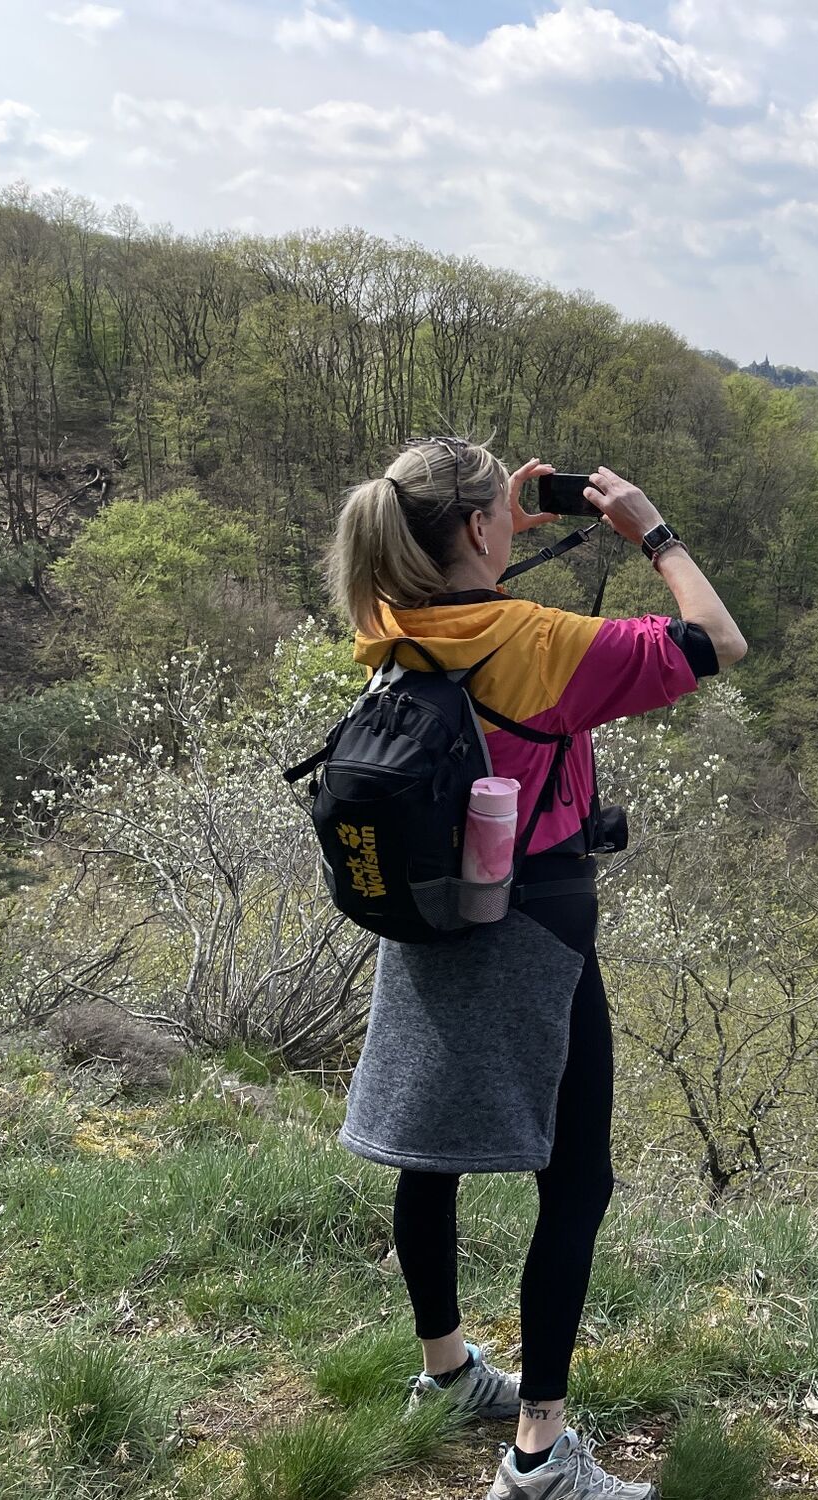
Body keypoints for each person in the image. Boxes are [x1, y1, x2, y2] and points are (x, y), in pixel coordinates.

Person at [325, 437, 745, 1500]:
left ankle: (446, 1374)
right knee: (575, 1181)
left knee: (431, 1154)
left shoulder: (387, 621)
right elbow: (715, 639)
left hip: (427, 916)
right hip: (537, 928)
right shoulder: (541, 643)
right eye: (494, 517)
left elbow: (454, 601)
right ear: (476, 530)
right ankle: (540, 1455)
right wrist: (651, 532)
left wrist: (494, 526)